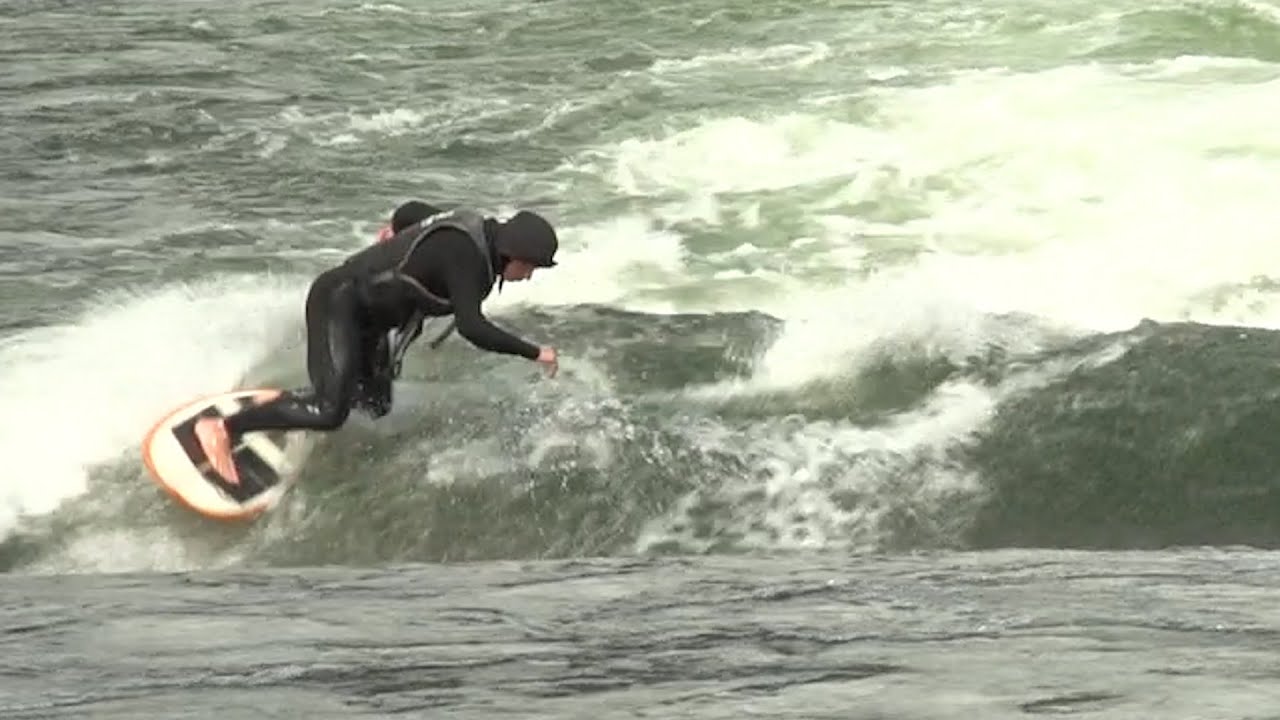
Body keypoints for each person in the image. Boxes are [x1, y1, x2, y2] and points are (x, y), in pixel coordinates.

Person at [194, 201, 561, 485]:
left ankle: (288, 403)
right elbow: (472, 327)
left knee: (374, 403)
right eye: (529, 267)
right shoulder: (466, 256)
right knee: (329, 413)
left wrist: (396, 230)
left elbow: (412, 212)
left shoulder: (475, 228)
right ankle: (221, 429)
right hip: (338, 302)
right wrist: (535, 353)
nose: (528, 276)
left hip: (370, 322)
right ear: (512, 255)